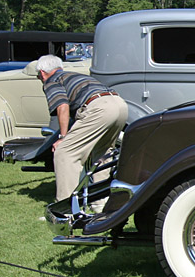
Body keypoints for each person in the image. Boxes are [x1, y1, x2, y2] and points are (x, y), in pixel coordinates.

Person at [35, 54, 128, 202]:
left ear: (42, 73)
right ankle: (101, 205)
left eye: (38, 76)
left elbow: (62, 106)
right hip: (120, 104)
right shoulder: (73, 75)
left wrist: (63, 137)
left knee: (64, 153)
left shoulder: (52, 81)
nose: (39, 79)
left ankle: (65, 209)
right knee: (102, 154)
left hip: (99, 107)